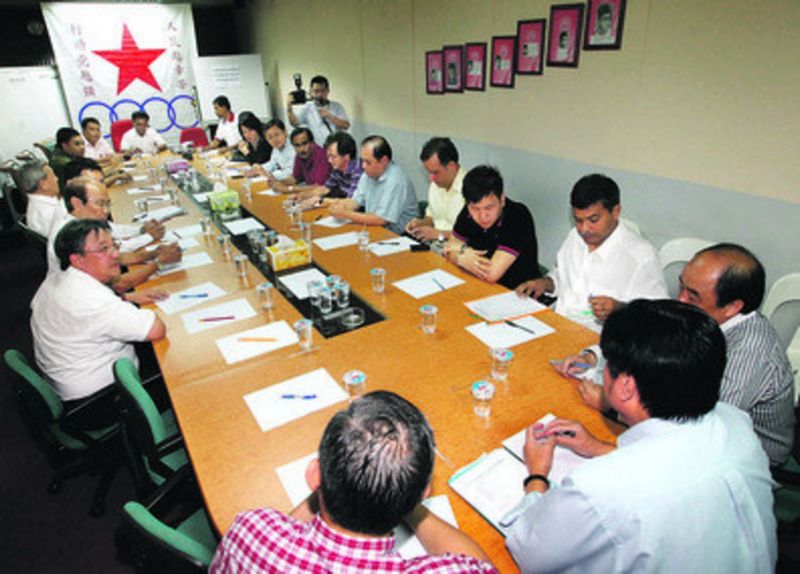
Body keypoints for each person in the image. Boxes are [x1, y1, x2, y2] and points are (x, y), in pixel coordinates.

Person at [502, 299, 777, 572]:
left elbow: (529, 552)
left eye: (606, 366)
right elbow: (677, 468)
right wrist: (599, 448)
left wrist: (537, 476)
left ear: (624, 387)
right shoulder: (736, 422)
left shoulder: (598, 487)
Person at [556, 243, 796, 467]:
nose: (679, 300)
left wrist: (610, 405)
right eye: (681, 286)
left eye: (692, 296)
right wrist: (593, 356)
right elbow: (647, 335)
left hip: (741, 458)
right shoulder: (704, 318)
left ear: (732, 307)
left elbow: (694, 431)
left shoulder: (749, 353)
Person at [210, 391, 496, 573]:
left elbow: (286, 530)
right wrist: (401, 496)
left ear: (313, 475)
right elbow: (481, 566)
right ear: (422, 494)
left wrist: (332, 484)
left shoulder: (251, 529)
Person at [31, 219, 167, 429]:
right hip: (99, 404)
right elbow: (156, 329)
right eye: (103, 249)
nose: (115, 254)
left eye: (114, 245)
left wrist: (126, 300)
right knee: (185, 380)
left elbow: (85, 318)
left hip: (71, 385)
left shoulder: (57, 278)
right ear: (77, 260)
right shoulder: (91, 300)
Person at [516, 174, 667, 327]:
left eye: (593, 220)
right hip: (559, 321)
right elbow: (562, 275)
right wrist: (545, 283)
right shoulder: (575, 237)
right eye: (578, 220)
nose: (584, 229)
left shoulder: (641, 256)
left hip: (600, 339)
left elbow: (656, 314)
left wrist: (621, 309)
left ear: (616, 212)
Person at [46, 177, 179, 294]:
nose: (106, 211)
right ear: (77, 203)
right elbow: (119, 285)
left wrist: (153, 254)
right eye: (100, 204)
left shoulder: (80, 221)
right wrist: (159, 263)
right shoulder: (70, 235)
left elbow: (117, 256)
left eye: (107, 204)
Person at [445, 165, 540, 290]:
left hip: (516, 293)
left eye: (489, 208)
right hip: (478, 286)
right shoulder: (468, 212)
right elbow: (448, 249)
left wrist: (459, 256)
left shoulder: (518, 215)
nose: (483, 216)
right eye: (475, 209)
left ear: (502, 200)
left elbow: (490, 274)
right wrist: (461, 258)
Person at [62, 157, 164, 253]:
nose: (101, 187)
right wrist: (149, 236)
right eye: (93, 183)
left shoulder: (87, 211)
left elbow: (112, 229)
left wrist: (141, 229)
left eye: (101, 182)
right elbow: (113, 250)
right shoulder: (70, 227)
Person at [327, 135, 417, 235]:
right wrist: (340, 207)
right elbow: (356, 201)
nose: (363, 166)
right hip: (377, 230)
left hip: (400, 236)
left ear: (383, 161)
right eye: (362, 160)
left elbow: (381, 220)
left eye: (368, 162)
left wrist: (345, 214)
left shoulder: (396, 180)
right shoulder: (368, 174)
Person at [406, 137, 466, 243]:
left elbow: (472, 235)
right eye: (428, 172)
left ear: (452, 166)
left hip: (460, 252)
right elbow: (432, 218)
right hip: (435, 247)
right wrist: (420, 223)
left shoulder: (472, 189)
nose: (431, 178)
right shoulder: (436, 184)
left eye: (435, 172)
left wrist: (439, 234)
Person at [294, 131, 363, 203]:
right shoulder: (337, 170)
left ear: (346, 156)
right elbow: (325, 188)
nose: (329, 161)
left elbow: (350, 201)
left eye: (333, 157)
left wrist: (321, 201)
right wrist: (304, 195)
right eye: (328, 156)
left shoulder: (358, 170)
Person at [287, 75, 350, 147]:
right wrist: (289, 107)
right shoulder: (308, 108)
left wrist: (330, 116)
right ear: (311, 91)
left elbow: (346, 125)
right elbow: (294, 123)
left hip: (336, 148)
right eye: (316, 91)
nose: (319, 94)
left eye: (322, 91)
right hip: (317, 150)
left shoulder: (336, 106)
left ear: (328, 91)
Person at [270, 127, 331, 194]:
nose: (301, 149)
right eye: (297, 145)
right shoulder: (300, 156)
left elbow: (318, 187)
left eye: (304, 144)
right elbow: (295, 178)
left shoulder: (321, 156)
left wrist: (289, 189)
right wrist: (279, 183)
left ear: (312, 143)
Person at [20, 162, 59, 236]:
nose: (57, 179)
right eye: (53, 176)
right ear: (44, 184)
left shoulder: (37, 204)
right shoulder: (48, 212)